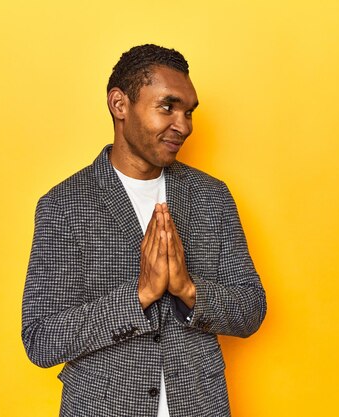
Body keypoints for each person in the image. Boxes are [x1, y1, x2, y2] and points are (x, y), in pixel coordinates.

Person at [22, 44, 266, 417]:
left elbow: (251, 309)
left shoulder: (212, 197)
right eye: (167, 107)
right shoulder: (64, 205)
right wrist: (139, 295)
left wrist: (188, 289)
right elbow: (41, 339)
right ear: (120, 105)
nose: (183, 126)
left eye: (188, 112)